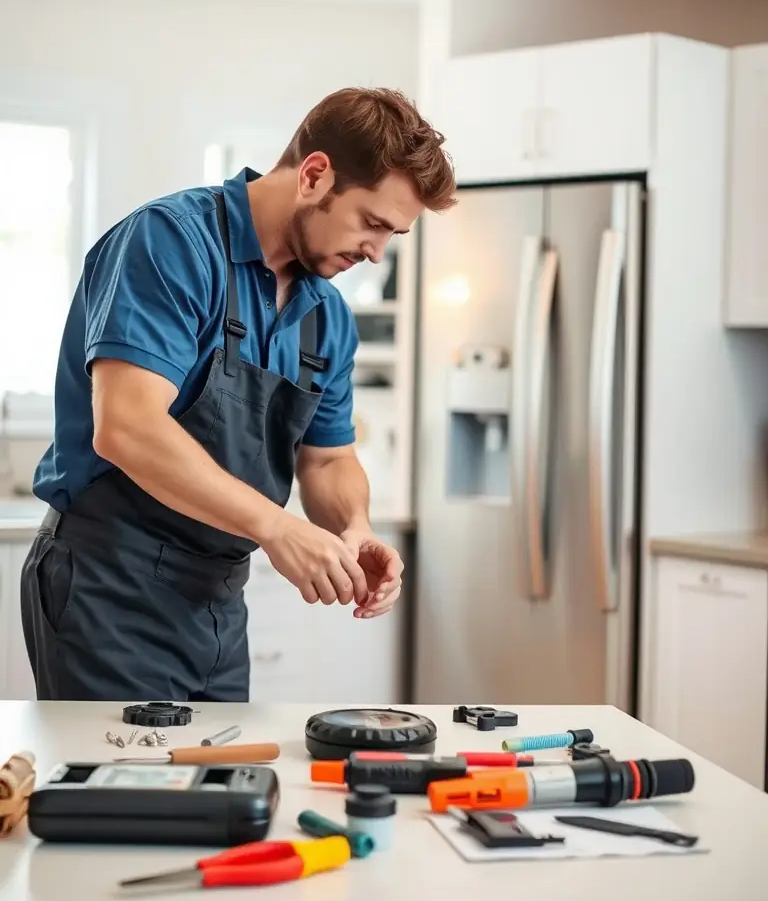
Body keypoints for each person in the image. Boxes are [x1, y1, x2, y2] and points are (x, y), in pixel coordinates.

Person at [19, 86, 457, 702]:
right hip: (108, 584)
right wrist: (276, 528)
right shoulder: (172, 243)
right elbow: (127, 427)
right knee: (130, 791)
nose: (375, 253)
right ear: (314, 174)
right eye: (372, 223)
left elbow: (329, 459)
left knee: (219, 791)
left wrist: (353, 527)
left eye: (392, 236)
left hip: (217, 597)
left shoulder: (326, 317)